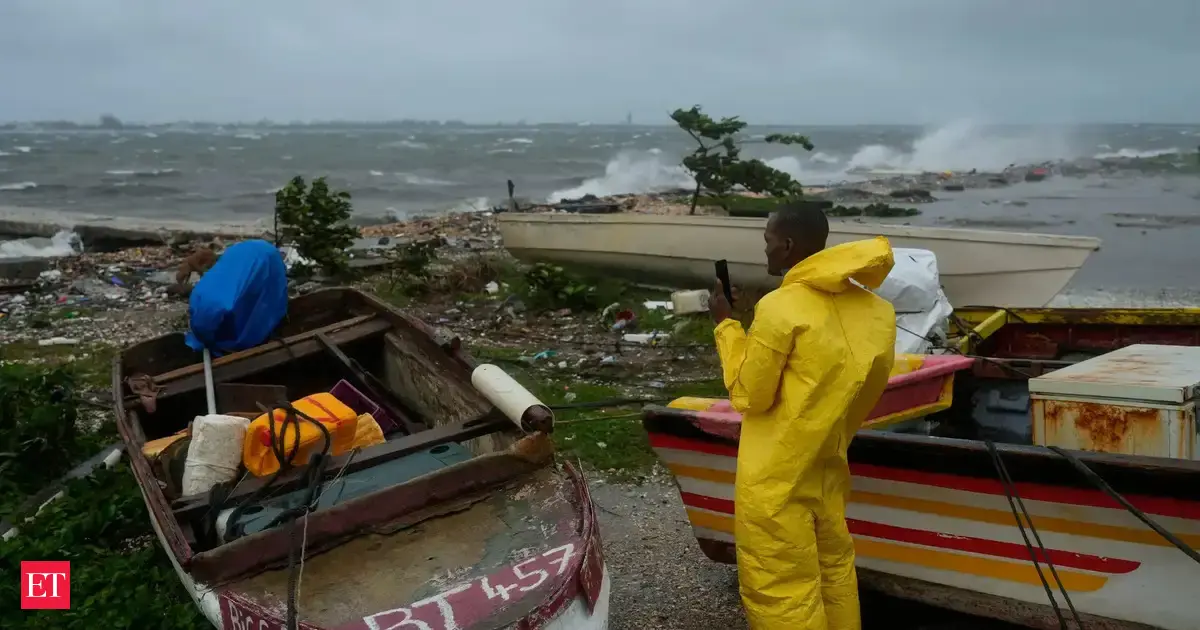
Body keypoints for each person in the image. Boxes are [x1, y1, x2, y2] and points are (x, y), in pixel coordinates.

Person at [708, 203, 897, 630]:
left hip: (776, 479)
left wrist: (725, 326)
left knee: (783, 590)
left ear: (788, 244)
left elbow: (749, 395)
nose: (767, 253)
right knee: (834, 574)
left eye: (768, 243)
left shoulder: (781, 307)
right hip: (828, 465)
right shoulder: (878, 312)